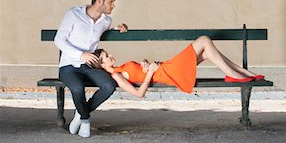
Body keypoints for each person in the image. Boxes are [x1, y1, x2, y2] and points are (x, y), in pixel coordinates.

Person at [54, 0, 127, 138]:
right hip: (69, 65)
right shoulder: (73, 14)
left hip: (90, 66)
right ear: (99, 1)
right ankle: (85, 120)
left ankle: (80, 112)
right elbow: (59, 40)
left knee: (109, 86)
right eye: (111, 2)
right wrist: (81, 55)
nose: (113, 5)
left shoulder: (106, 21)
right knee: (78, 88)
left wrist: (118, 28)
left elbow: (101, 30)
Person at [91, 35, 264, 98]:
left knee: (206, 52)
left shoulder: (120, 68)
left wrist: (144, 62)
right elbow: (139, 93)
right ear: (101, 65)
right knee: (204, 40)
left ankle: (240, 72)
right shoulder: (116, 76)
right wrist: (150, 72)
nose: (110, 56)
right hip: (167, 72)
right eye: (107, 57)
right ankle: (235, 74)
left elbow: (136, 71)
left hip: (165, 67)